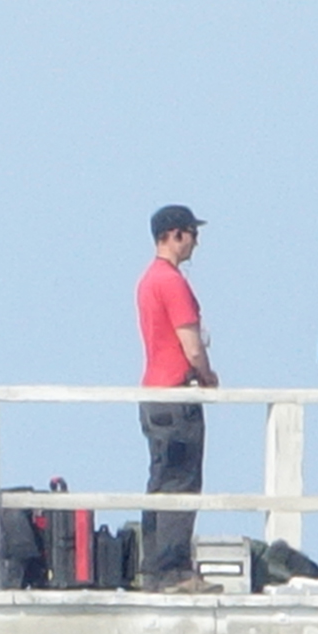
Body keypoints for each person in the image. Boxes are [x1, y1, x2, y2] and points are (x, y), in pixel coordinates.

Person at [135, 204, 222, 594]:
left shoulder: (147, 280)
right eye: (191, 233)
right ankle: (173, 571)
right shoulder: (172, 282)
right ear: (174, 235)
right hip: (175, 393)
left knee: (160, 480)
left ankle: (152, 567)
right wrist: (207, 375)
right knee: (181, 482)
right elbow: (191, 344)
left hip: (152, 393)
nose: (196, 243)